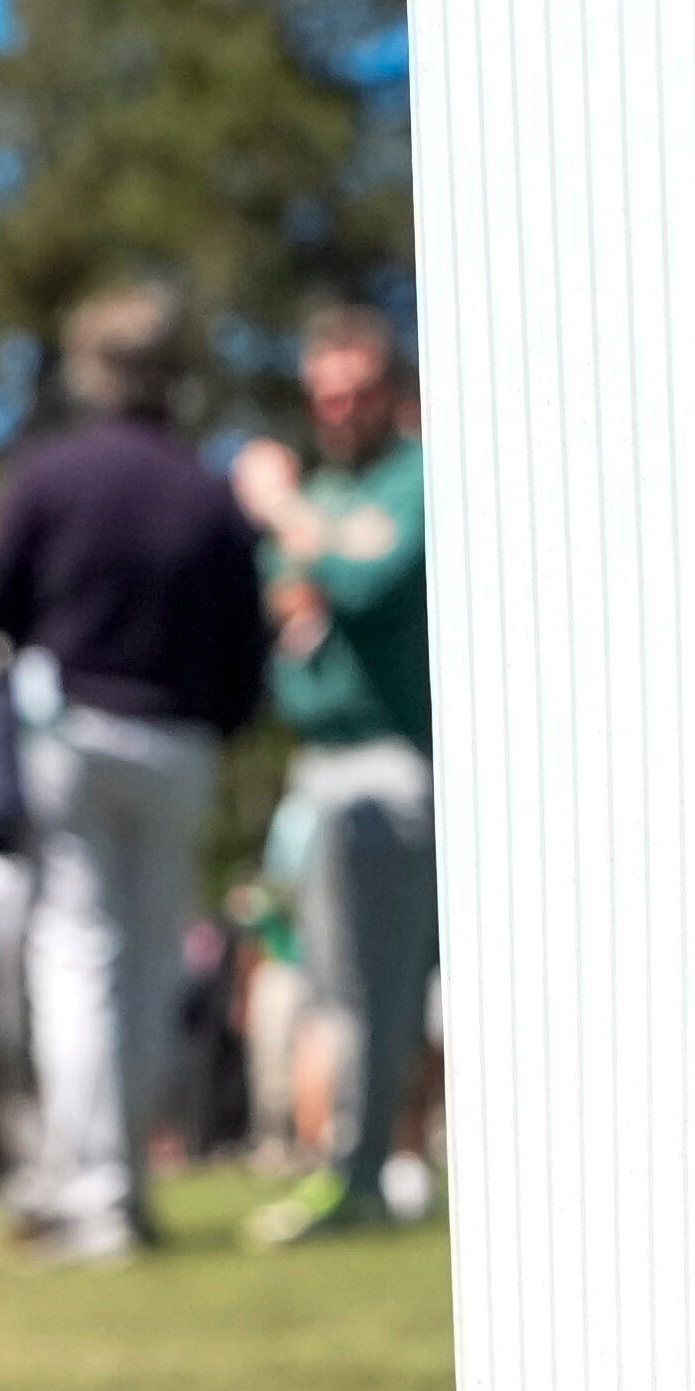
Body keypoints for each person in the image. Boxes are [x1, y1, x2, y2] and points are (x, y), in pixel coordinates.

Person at [0, 278, 265, 1266]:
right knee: (152, 962)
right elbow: (246, 659)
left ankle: (94, 1187)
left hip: (76, 734)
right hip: (177, 747)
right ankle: (123, 1181)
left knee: (81, 958)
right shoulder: (209, 494)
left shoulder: (55, 477)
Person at [236, 292, 435, 1248]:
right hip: (316, 768)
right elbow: (288, 599)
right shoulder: (332, 497)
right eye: (323, 395)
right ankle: (354, 1167)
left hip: (392, 764)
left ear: (389, 389)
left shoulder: (416, 478)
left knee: (383, 987)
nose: (339, 410)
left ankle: (364, 1170)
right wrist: (314, 545)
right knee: (325, 985)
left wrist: (287, 513)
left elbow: (363, 585)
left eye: (356, 391)